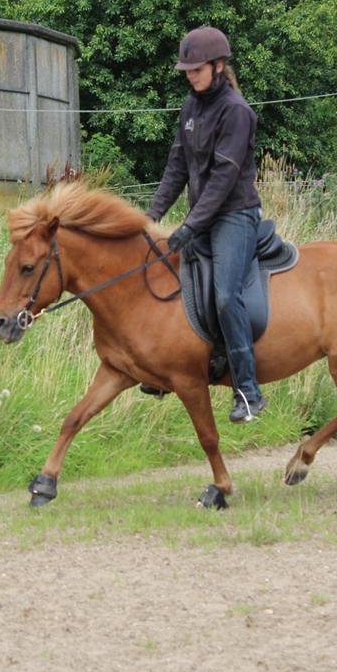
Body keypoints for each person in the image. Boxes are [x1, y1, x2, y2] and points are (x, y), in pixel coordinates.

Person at [145, 26, 267, 423]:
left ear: (217, 66)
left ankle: (248, 390)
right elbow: (176, 167)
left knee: (226, 296)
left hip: (235, 215)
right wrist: (151, 216)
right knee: (168, 279)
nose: (190, 77)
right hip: (204, 217)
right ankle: (170, 367)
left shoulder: (236, 111)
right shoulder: (190, 108)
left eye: (196, 70)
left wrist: (191, 225)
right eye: (187, 71)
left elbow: (223, 178)